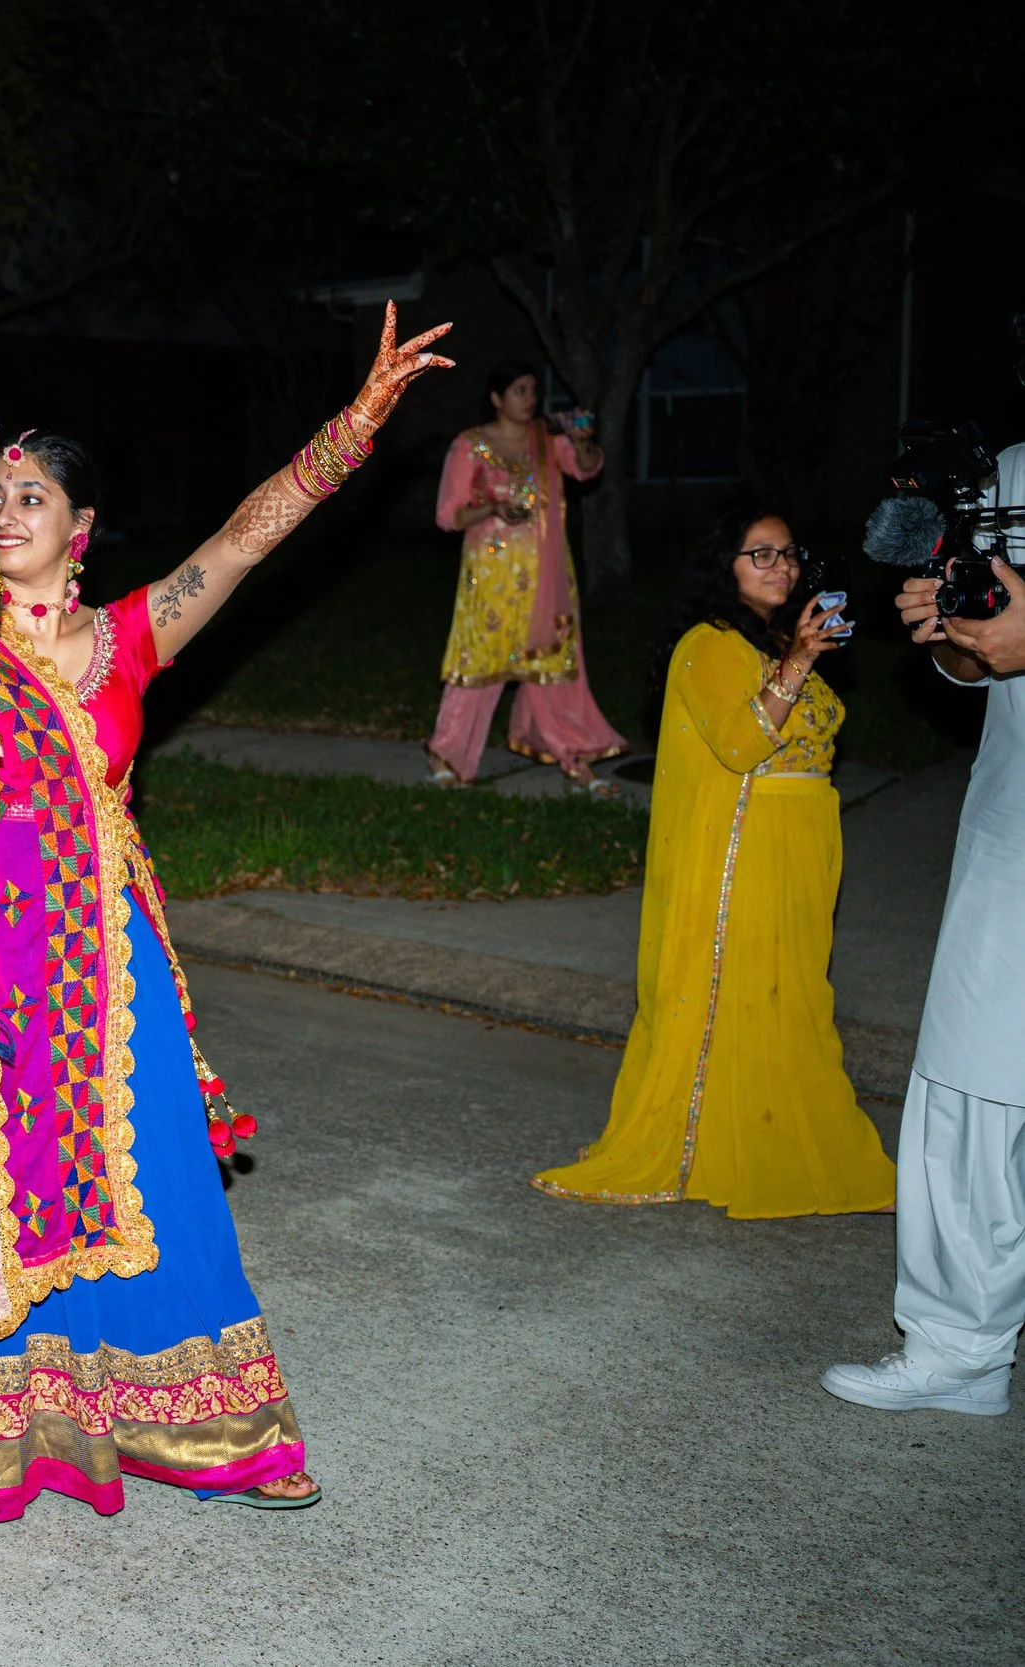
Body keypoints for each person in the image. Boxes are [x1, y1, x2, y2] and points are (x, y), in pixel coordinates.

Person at [0, 303, 452, 1523]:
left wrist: (353, 428)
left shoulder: (126, 638)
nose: (11, 509)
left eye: (37, 496)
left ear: (80, 531)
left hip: (106, 966)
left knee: (160, 1186)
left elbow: (240, 544)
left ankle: (206, 1432)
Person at [533, 512, 893, 1217]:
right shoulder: (708, 645)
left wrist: (796, 654)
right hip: (749, 850)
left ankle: (783, 1136)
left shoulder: (778, 642)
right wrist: (798, 663)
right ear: (722, 566)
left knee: (796, 1000)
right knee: (753, 994)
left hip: (804, 846)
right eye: (760, 554)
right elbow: (738, 744)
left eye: (789, 554)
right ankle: (734, 1146)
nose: (780, 566)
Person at [825, 440, 1025, 1417]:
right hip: (1015, 828)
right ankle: (960, 1345)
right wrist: (946, 630)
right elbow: (975, 659)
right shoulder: (1009, 474)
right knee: (968, 1085)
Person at [427, 362, 626, 792]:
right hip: (492, 576)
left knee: (554, 664)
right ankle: (447, 754)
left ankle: (577, 763)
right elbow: (448, 515)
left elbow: (586, 469)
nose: (530, 399)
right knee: (480, 662)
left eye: (533, 390)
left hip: (547, 577)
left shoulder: (548, 440)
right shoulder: (471, 445)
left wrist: (583, 442)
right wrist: (492, 509)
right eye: (519, 390)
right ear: (497, 398)